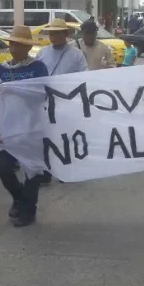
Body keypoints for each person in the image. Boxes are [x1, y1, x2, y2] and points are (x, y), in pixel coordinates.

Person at [0, 26, 49, 227]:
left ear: (26, 46)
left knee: (32, 171)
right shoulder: (1, 69)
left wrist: (17, 92)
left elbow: (42, 95)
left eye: (18, 44)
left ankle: (28, 211)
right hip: (8, 129)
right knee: (3, 168)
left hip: (31, 128)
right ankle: (20, 197)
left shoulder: (38, 68)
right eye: (11, 43)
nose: (13, 47)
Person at [35, 18, 88, 185]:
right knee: (46, 137)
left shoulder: (76, 54)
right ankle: (46, 170)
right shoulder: (42, 53)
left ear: (65, 34)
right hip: (45, 102)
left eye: (56, 33)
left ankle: (66, 169)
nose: (53, 36)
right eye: (51, 33)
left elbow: (84, 76)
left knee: (65, 137)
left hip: (67, 102)